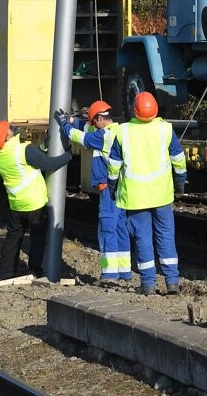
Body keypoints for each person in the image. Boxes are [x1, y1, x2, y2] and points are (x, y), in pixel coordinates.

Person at [106, 91, 186, 295]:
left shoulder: (123, 132)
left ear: (135, 111)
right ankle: (172, 282)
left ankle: (148, 284)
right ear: (156, 110)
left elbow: (114, 167)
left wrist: (113, 189)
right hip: (162, 195)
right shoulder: (165, 130)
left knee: (142, 238)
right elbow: (179, 161)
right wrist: (180, 185)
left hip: (136, 197)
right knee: (166, 236)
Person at [53, 100, 132, 285]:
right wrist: (74, 120)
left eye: (93, 121)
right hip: (122, 188)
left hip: (108, 188)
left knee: (106, 229)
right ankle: (124, 271)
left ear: (99, 118)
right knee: (121, 228)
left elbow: (80, 137)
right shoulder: (117, 130)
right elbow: (87, 129)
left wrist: (64, 124)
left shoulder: (103, 137)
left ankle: (109, 274)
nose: (92, 125)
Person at [0, 119, 71, 283]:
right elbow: (48, 164)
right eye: (8, 129)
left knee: (13, 239)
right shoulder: (24, 150)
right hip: (35, 204)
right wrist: (67, 155)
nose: (11, 128)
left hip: (16, 204)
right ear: (7, 136)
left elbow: (28, 161)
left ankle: (5, 274)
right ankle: (34, 270)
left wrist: (43, 147)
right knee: (37, 238)